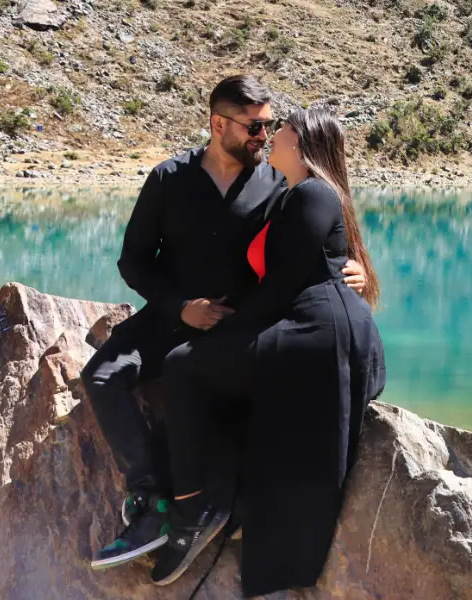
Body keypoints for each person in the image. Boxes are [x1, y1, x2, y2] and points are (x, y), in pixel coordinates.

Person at [83, 76, 369, 571]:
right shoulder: (168, 178)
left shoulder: (280, 182)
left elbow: (324, 227)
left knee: (204, 390)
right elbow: (133, 263)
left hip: (240, 325)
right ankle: (151, 502)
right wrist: (180, 306)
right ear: (218, 124)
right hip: (170, 317)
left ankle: (213, 503)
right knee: (102, 377)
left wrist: (355, 269)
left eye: (270, 126)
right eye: (256, 126)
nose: (265, 135)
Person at [150, 107, 386, 594]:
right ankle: (219, 497)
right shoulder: (294, 194)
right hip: (304, 325)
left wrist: (221, 330)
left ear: (299, 143)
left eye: (279, 130)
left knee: (183, 367)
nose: (269, 136)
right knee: (203, 370)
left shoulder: (313, 193)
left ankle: (194, 508)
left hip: (315, 333)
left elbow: (283, 285)